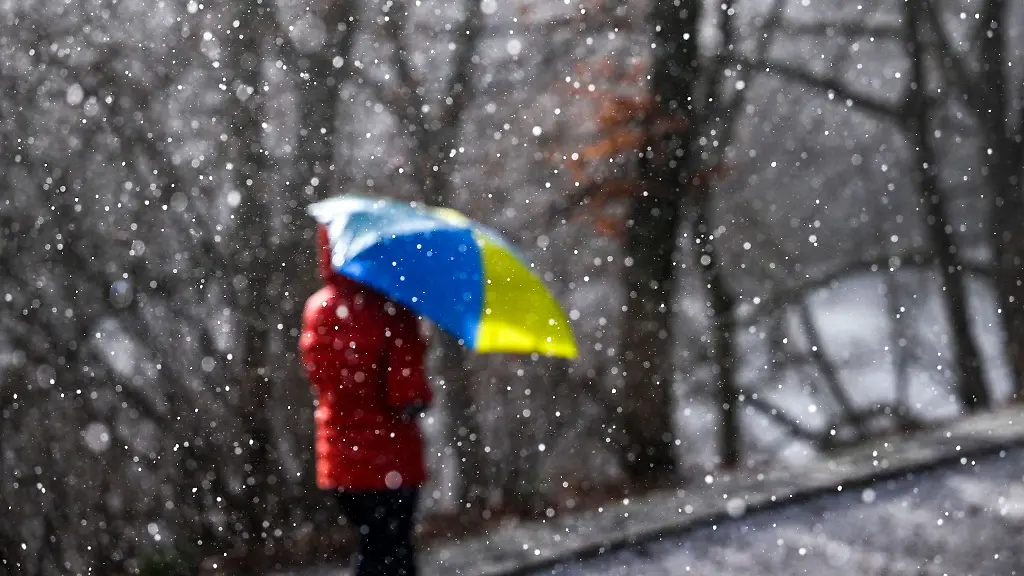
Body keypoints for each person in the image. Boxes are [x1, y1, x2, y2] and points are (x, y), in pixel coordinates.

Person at [299, 224, 433, 576]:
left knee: (370, 547)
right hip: (390, 459)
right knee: (396, 552)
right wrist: (417, 342)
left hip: (341, 462)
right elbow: (407, 396)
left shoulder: (318, 309)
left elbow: (323, 379)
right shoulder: (392, 310)